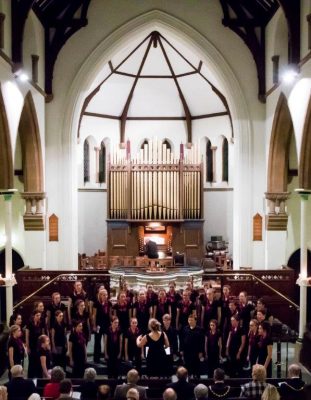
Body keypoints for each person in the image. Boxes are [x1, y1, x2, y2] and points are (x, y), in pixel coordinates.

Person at [92, 288, 113, 363]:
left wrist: (112, 322)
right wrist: (94, 326)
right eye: (103, 295)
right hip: (98, 325)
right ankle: (96, 358)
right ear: (100, 295)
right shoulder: (96, 303)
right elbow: (94, 315)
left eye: (106, 295)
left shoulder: (109, 303)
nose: (105, 296)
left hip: (106, 324)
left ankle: (106, 356)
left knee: (107, 341)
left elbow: (110, 314)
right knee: (97, 341)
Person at [25, 310, 44, 378]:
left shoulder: (40, 323)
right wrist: (28, 347)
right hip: (32, 346)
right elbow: (27, 336)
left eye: (39, 315)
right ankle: (30, 378)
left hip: (38, 346)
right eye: (37, 315)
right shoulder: (29, 324)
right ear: (33, 316)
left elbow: (42, 335)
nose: (39, 317)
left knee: (38, 362)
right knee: (32, 363)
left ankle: (38, 377)